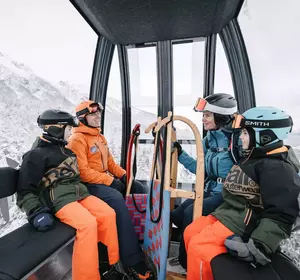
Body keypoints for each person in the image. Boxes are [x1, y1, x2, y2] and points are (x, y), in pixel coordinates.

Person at [184, 106, 300, 280]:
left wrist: (259, 246)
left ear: (265, 136)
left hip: (244, 222)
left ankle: (200, 271)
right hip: (231, 213)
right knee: (191, 231)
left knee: (200, 247)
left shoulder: (277, 168)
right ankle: (197, 271)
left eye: (246, 133)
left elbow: (281, 214)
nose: (241, 138)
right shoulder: (256, 156)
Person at [17, 109, 121, 280]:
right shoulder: (35, 155)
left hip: (78, 194)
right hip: (58, 200)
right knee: (87, 225)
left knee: (108, 214)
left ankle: (109, 265)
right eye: (68, 129)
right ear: (56, 128)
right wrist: (36, 211)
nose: (71, 133)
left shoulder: (67, 152)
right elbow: (24, 190)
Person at [67, 100, 154, 280]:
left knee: (139, 188)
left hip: (102, 180)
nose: (98, 116)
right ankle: (132, 259)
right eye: (93, 114)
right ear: (83, 118)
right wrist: (109, 181)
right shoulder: (77, 139)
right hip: (89, 185)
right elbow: (82, 172)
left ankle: (139, 237)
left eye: (99, 113)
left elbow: (110, 164)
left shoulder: (99, 137)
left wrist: (124, 176)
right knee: (116, 199)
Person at [170, 93, 237, 269]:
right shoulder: (209, 139)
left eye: (207, 115)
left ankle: (186, 261)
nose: (203, 119)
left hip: (227, 193)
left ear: (220, 116)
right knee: (177, 214)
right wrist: (180, 154)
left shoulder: (236, 141)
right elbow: (201, 170)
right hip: (209, 188)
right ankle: (188, 246)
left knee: (189, 213)